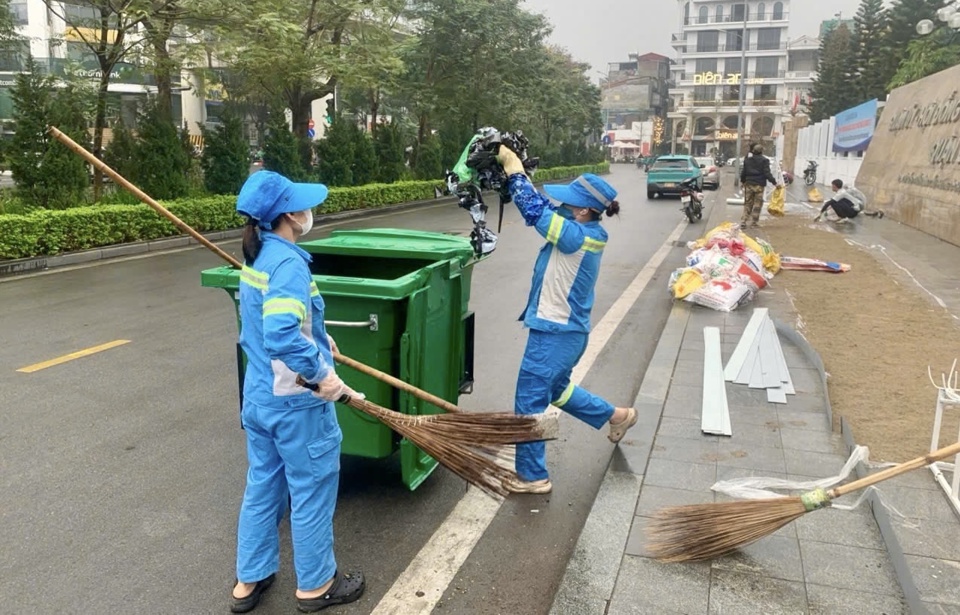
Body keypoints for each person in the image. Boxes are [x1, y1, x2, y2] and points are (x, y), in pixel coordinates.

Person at [231, 171, 365, 613]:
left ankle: (250, 579)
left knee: (264, 485)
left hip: (260, 397)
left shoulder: (260, 255)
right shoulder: (287, 264)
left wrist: (318, 339)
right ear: (289, 215)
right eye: (303, 206)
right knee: (309, 489)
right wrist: (322, 375)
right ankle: (316, 586)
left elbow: (268, 321)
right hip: (296, 404)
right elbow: (282, 334)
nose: (310, 212)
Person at [496, 146, 638, 495]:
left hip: (554, 335)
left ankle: (533, 477)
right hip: (567, 334)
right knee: (557, 391)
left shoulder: (577, 237)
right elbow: (544, 207)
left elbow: (535, 212)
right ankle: (616, 416)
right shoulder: (582, 229)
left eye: (569, 203)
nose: (561, 206)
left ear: (585, 211)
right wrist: (520, 179)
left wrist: (515, 174)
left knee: (529, 404)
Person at [739, 143, 781, 229]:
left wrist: (743, 182)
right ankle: (754, 222)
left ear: (753, 151)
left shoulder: (747, 160)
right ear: (761, 151)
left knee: (747, 203)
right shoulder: (764, 160)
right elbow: (767, 173)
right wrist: (775, 183)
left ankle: (743, 221)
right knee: (757, 204)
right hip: (759, 185)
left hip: (749, 184)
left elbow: (744, 173)